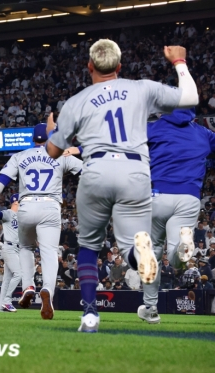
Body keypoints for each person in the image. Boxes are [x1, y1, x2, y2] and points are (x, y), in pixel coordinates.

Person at [45, 40, 198, 332]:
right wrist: (179, 62)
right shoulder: (141, 88)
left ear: (89, 66)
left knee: (89, 246)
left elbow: (53, 152)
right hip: (135, 170)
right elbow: (190, 97)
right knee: (131, 244)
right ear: (119, 67)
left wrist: (53, 130)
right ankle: (140, 256)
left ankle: (90, 314)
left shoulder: (77, 101)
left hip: (96, 169)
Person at [0, 124, 82, 320]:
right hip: (50, 206)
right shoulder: (61, 155)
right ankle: (47, 290)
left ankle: (28, 286)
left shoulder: (20, 156)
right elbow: (86, 172)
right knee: (48, 252)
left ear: (32, 139)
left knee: (26, 248)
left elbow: (1, 181)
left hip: (26, 205)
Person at [136, 109, 215, 323]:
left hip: (157, 196)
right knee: (176, 255)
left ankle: (151, 308)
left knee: (149, 254)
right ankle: (182, 250)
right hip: (189, 198)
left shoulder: (152, 128)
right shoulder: (203, 133)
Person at [0, 194, 21, 313]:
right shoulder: (8, 213)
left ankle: (1, 307)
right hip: (9, 247)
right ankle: (7, 301)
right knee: (18, 274)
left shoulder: (21, 216)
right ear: (16, 202)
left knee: (7, 279)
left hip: (16, 248)